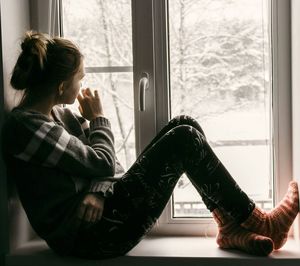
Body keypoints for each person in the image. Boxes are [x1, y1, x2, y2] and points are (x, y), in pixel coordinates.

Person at [2, 31, 299, 259]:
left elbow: (110, 167)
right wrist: (100, 120)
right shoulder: (27, 128)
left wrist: (97, 192)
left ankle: (230, 225)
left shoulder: (60, 114)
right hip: (89, 237)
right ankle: (260, 222)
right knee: (184, 138)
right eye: (80, 78)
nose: (83, 85)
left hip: (103, 216)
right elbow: (103, 162)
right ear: (62, 85)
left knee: (184, 123)